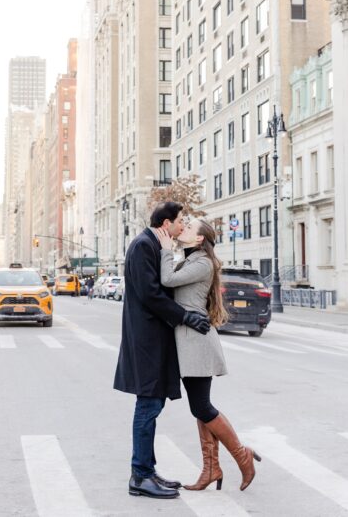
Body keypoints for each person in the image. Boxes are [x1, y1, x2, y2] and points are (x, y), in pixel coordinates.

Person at [114, 202, 212, 500]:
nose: (183, 226)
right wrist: (185, 317)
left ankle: (147, 470)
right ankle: (140, 476)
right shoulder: (143, 246)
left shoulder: (153, 245)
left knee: (152, 407)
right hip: (147, 341)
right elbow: (151, 295)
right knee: (148, 407)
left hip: (154, 339)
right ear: (166, 223)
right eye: (180, 221)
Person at [158, 218, 261, 492]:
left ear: (200, 239)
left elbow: (167, 279)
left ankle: (242, 456)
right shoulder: (192, 260)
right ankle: (211, 468)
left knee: (201, 406)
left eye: (189, 228)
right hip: (189, 339)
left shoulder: (202, 262)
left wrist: (165, 248)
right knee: (200, 407)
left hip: (197, 341)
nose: (184, 230)